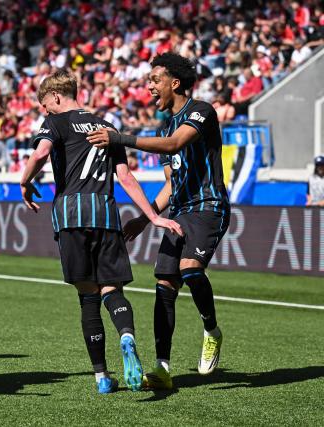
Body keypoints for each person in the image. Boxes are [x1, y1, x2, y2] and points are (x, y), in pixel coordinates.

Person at [20, 70, 183, 394]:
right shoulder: (107, 127)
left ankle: (102, 377)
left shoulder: (55, 122)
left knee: (87, 298)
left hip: (71, 214)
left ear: (54, 97)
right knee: (112, 290)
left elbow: (40, 153)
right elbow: (125, 177)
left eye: (44, 105)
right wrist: (152, 216)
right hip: (106, 214)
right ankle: (126, 335)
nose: (44, 112)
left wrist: (24, 181)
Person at [87, 52, 231, 389]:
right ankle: (163, 368)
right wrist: (145, 217)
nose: (149, 86)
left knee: (190, 268)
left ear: (174, 83)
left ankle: (211, 330)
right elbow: (170, 183)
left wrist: (120, 138)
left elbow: (176, 143)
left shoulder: (200, 111)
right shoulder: (162, 125)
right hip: (180, 210)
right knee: (164, 284)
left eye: (155, 80)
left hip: (208, 206)